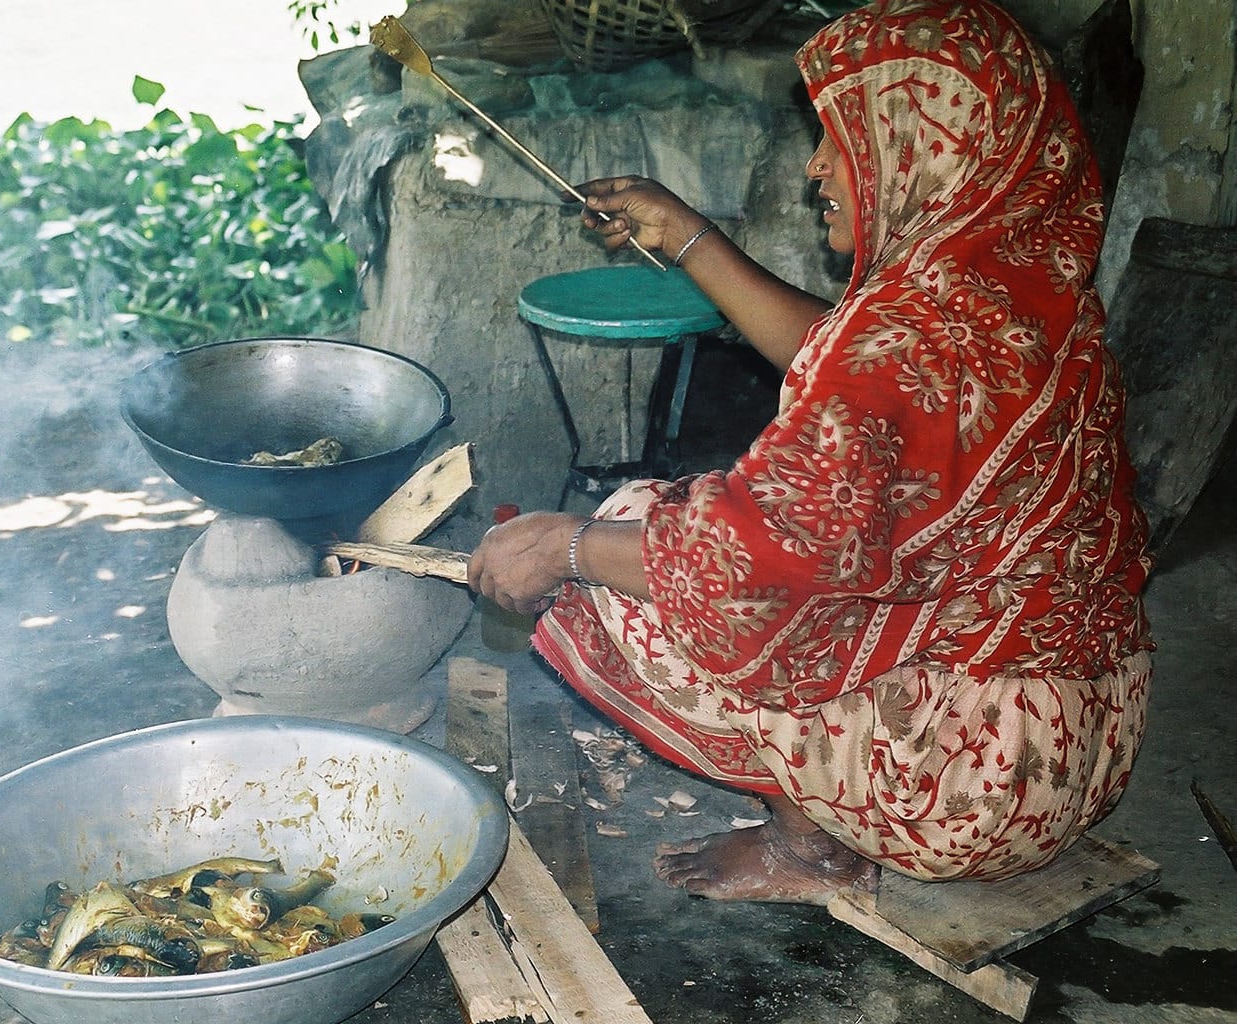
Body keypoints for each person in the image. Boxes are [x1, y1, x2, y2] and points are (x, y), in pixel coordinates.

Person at [467, 0, 1153, 905]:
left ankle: (813, 850)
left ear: (921, 144)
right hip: (1085, 740)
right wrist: (687, 235)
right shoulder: (1014, 287)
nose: (816, 165)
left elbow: (751, 559)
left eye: (841, 138)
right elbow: (844, 355)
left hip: (967, 790)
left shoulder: (912, 341)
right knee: (712, 540)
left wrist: (562, 547)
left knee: (640, 536)